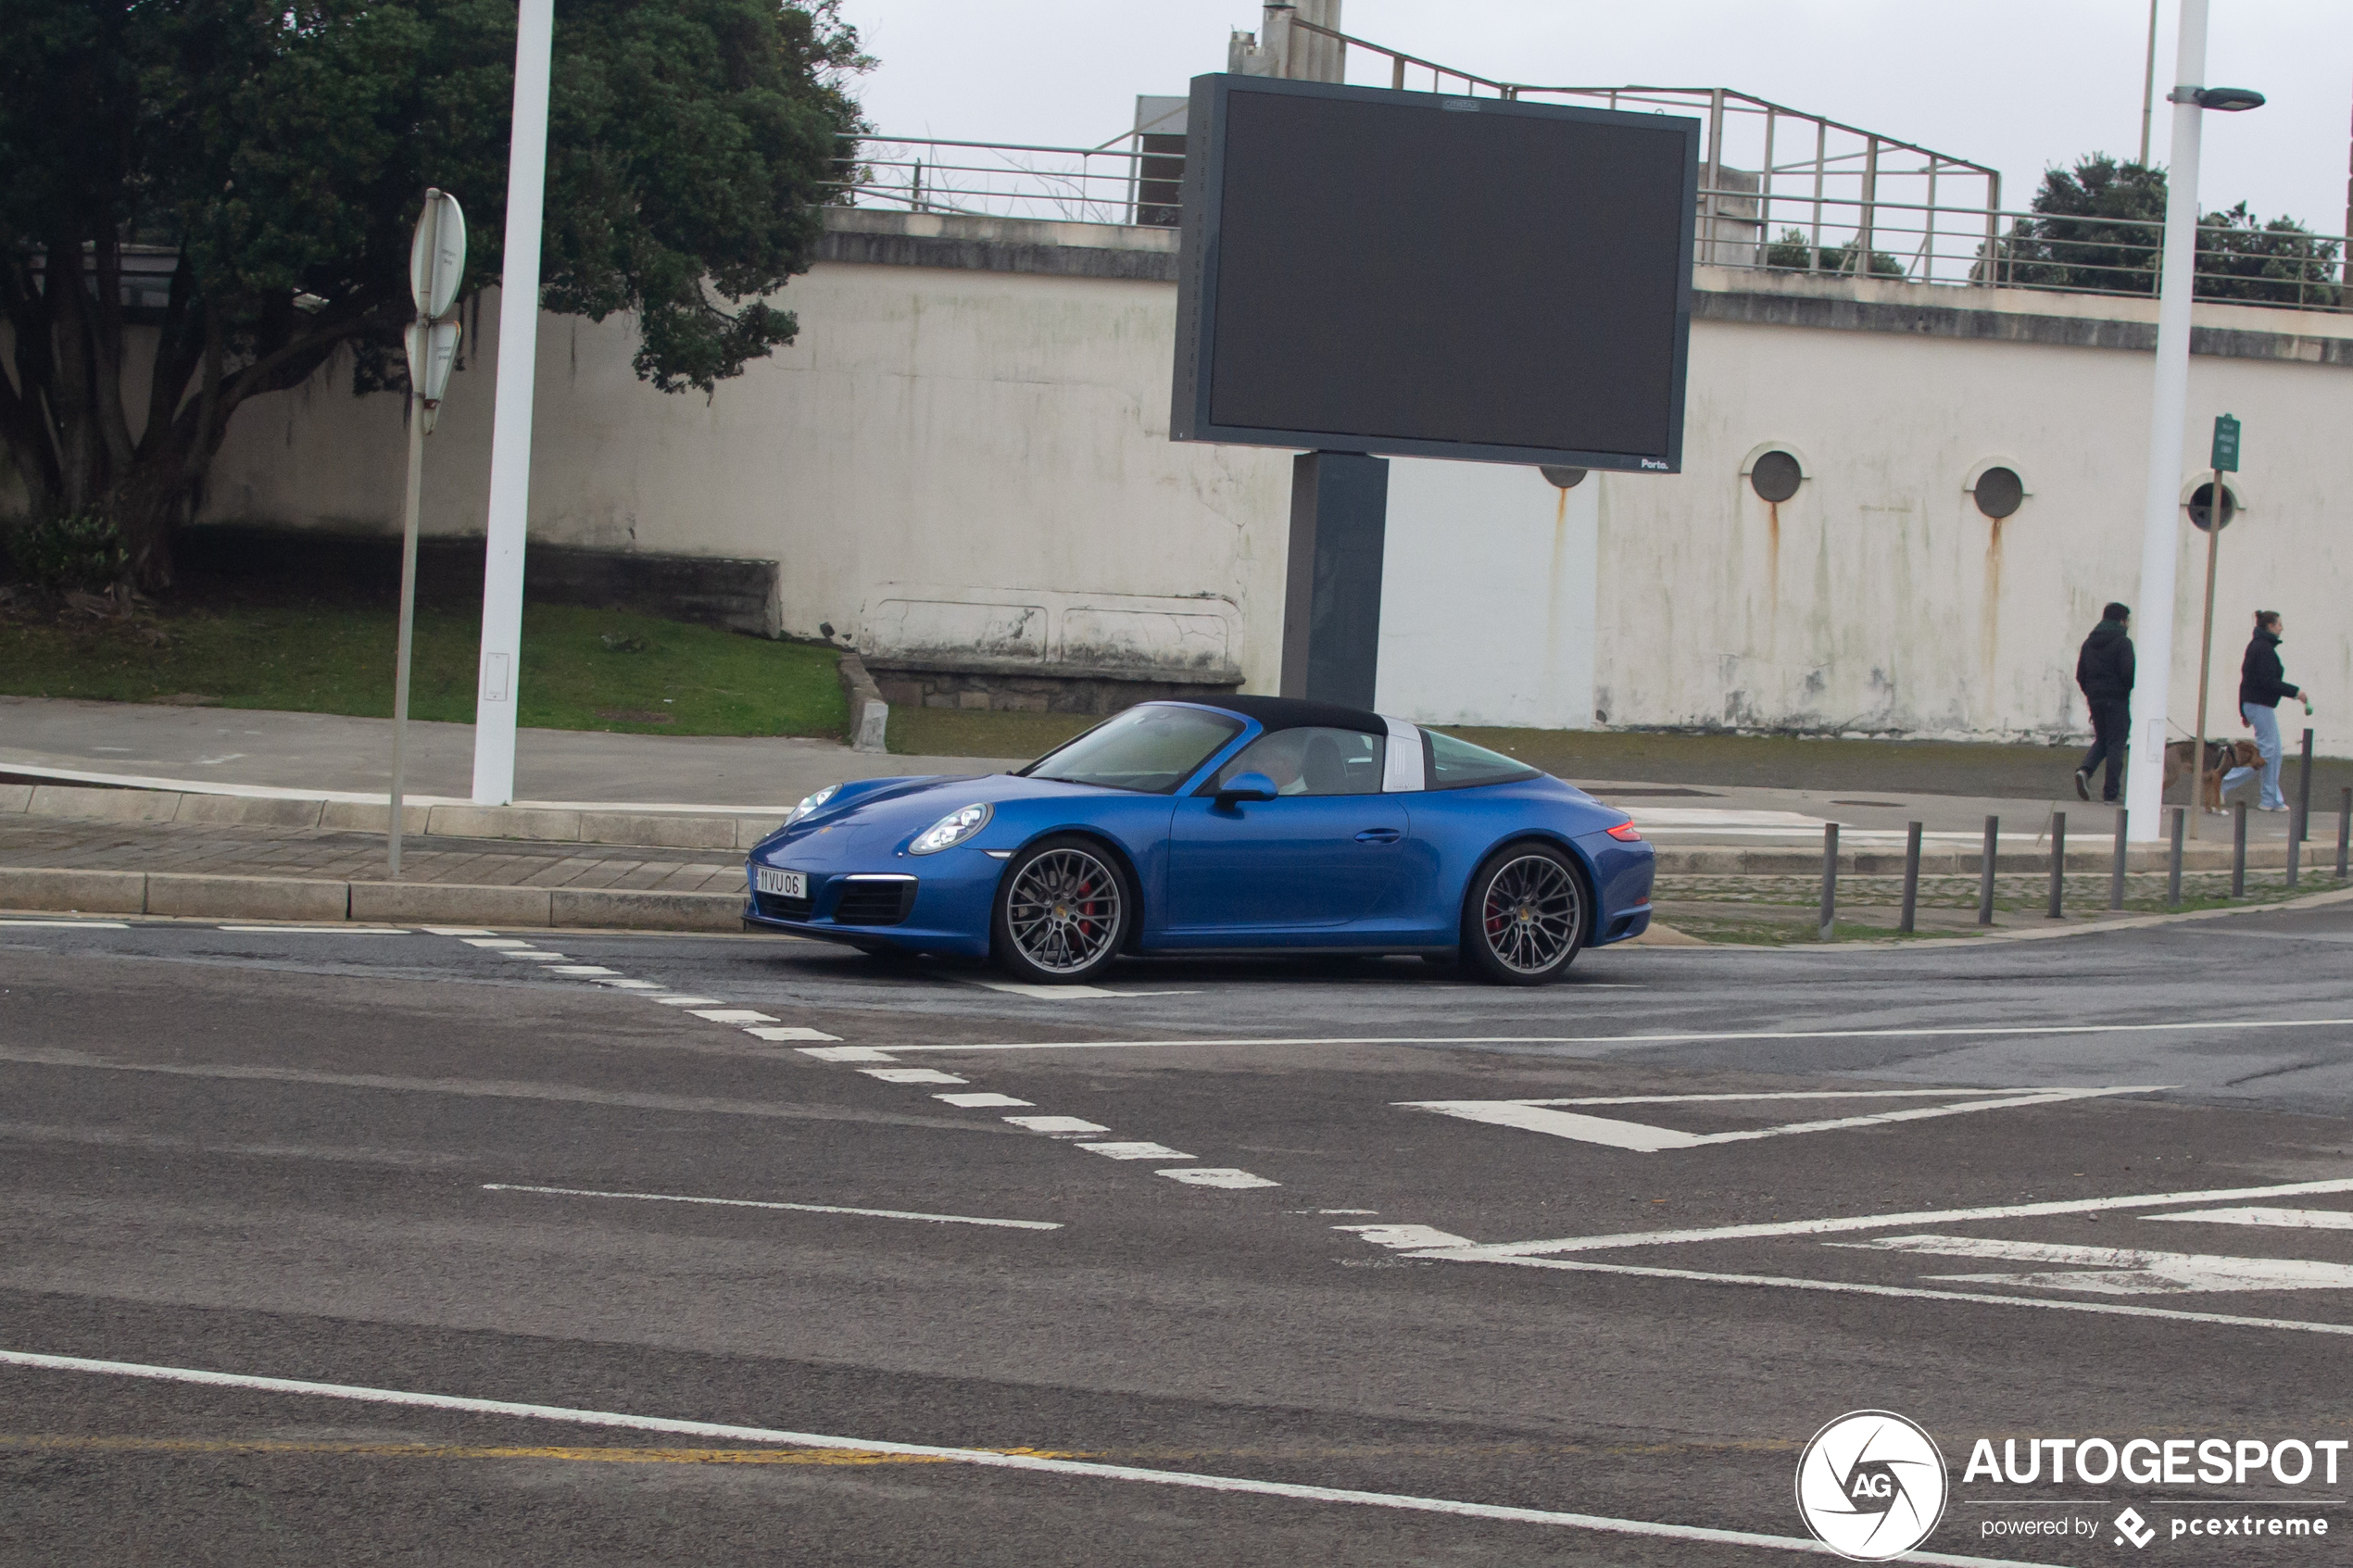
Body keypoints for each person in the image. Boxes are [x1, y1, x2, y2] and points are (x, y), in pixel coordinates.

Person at [2220, 610, 2314, 811]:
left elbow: (2246, 680)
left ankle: (2270, 799)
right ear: (2270, 626)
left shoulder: (2259, 647)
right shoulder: (2263, 649)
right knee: (2267, 752)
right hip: (2259, 704)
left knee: (2274, 752)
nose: (2281, 628)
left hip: (2257, 704)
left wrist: (2243, 711)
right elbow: (2267, 682)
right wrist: (2296, 693)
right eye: (2279, 624)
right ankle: (2222, 782)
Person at [2073, 602, 2134, 803]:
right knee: (2116, 743)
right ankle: (2111, 793)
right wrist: (2123, 691)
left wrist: (2091, 692)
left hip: (2095, 699)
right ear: (2121, 620)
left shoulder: (2089, 643)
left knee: (2102, 739)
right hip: (2116, 699)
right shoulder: (2123, 643)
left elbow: (2080, 674)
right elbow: (2128, 673)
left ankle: (2085, 770)